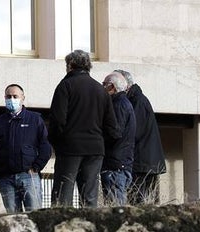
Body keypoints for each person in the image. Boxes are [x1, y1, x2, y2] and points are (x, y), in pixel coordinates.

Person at [48, 49, 119, 207]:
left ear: (70, 65)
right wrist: (101, 142)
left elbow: (57, 120)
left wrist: (57, 143)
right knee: (89, 198)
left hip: (70, 148)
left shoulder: (65, 86)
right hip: (95, 149)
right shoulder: (101, 90)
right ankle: (90, 229)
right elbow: (112, 128)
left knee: (62, 196)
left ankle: (61, 229)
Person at [0, 83, 52, 213]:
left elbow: (45, 146)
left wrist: (36, 167)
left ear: (23, 98)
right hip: (5, 179)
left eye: (15, 96)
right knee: (13, 219)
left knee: (35, 216)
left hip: (28, 176)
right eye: (8, 96)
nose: (12, 99)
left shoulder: (35, 120)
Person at [116, 69, 167, 204]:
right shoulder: (136, 100)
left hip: (142, 163)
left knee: (138, 201)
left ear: (125, 85)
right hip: (144, 161)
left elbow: (133, 131)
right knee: (139, 201)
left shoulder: (137, 101)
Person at [100, 72, 136, 206]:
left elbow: (115, 133)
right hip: (120, 163)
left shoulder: (118, 105)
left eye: (104, 85)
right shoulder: (124, 103)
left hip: (115, 165)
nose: (102, 88)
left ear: (112, 87)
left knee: (115, 208)